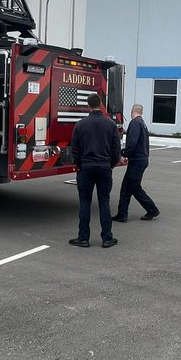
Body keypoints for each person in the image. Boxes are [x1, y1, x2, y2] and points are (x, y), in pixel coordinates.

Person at [68, 92, 120, 248]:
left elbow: (75, 149)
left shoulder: (80, 125)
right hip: (104, 167)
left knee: (85, 202)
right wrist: (110, 164)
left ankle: (83, 238)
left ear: (88, 105)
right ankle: (107, 238)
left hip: (86, 167)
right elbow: (116, 150)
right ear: (101, 104)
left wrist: (80, 164)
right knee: (104, 202)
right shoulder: (111, 124)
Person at [114, 103, 159, 222]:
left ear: (132, 111)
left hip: (137, 161)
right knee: (126, 187)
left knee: (134, 187)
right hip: (141, 159)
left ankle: (152, 209)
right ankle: (122, 214)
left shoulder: (134, 123)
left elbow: (132, 143)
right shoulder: (142, 123)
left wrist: (124, 154)